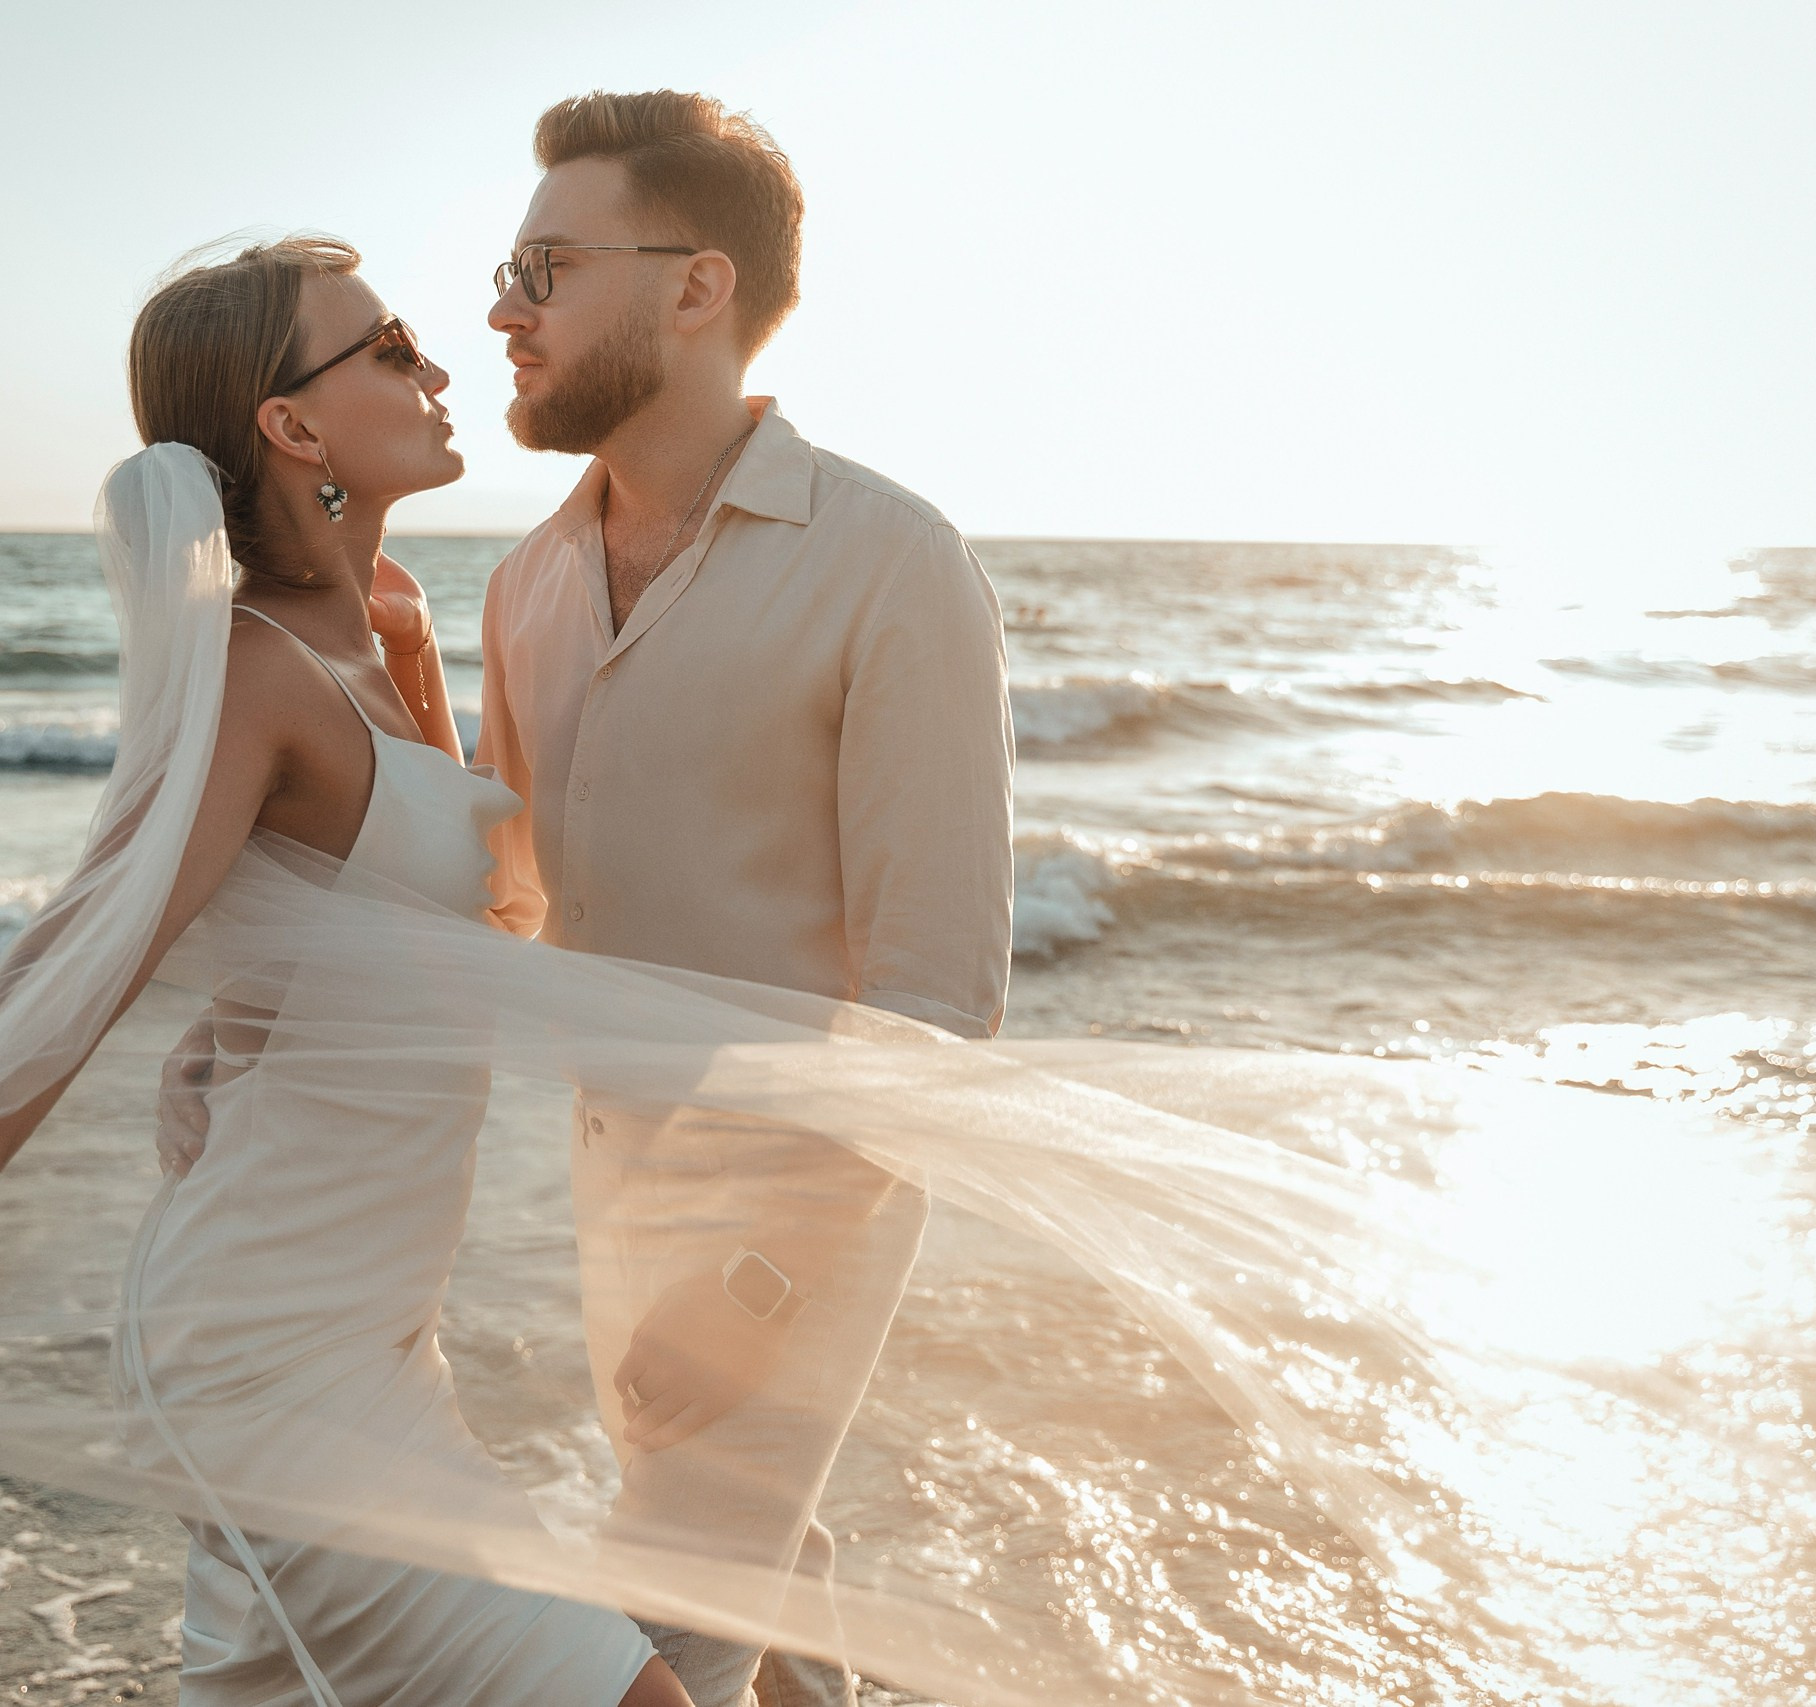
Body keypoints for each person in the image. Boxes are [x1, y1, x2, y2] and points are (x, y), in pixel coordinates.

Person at [0, 236, 695, 1707]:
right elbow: (100, 912)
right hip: (268, 1351)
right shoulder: (259, 670)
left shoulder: (382, 646)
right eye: (386, 349)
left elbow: (452, 933)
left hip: (376, 1328)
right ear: (292, 427)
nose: (437, 368)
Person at [476, 90, 1013, 1707]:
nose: (505, 309)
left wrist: (757, 1286)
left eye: (548, 266)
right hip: (611, 1188)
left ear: (696, 289)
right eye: (508, 267)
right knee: (766, 1613)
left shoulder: (893, 564)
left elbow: (934, 999)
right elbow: (501, 902)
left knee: (652, 1647)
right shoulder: (524, 583)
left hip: (802, 1223)